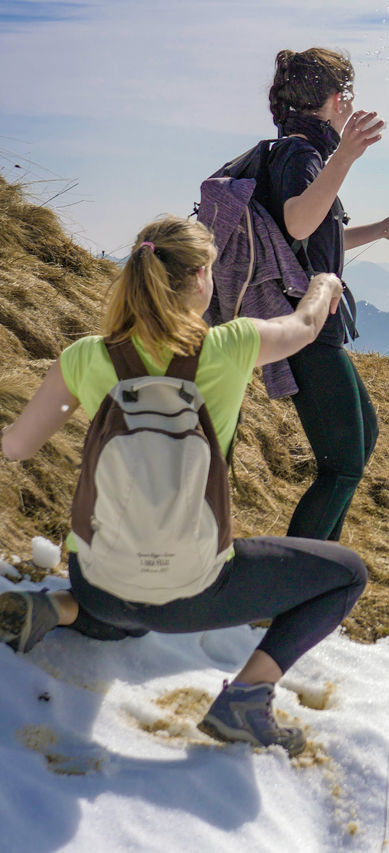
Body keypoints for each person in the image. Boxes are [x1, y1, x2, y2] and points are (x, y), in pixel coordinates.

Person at [0, 216, 367, 757]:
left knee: (128, 608)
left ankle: (60, 608)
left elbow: (15, 447)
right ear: (199, 280)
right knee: (345, 575)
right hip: (190, 594)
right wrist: (325, 284)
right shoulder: (232, 344)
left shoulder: (85, 357)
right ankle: (247, 695)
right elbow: (305, 327)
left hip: (97, 579)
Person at [264, 47, 389, 541]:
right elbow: (298, 220)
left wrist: (380, 229)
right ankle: (298, 579)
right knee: (342, 466)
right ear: (337, 98)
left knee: (361, 440)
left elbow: (311, 234)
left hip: (312, 326)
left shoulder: (299, 152)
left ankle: (318, 569)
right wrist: (345, 156)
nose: (352, 105)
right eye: (348, 94)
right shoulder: (300, 152)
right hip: (305, 328)